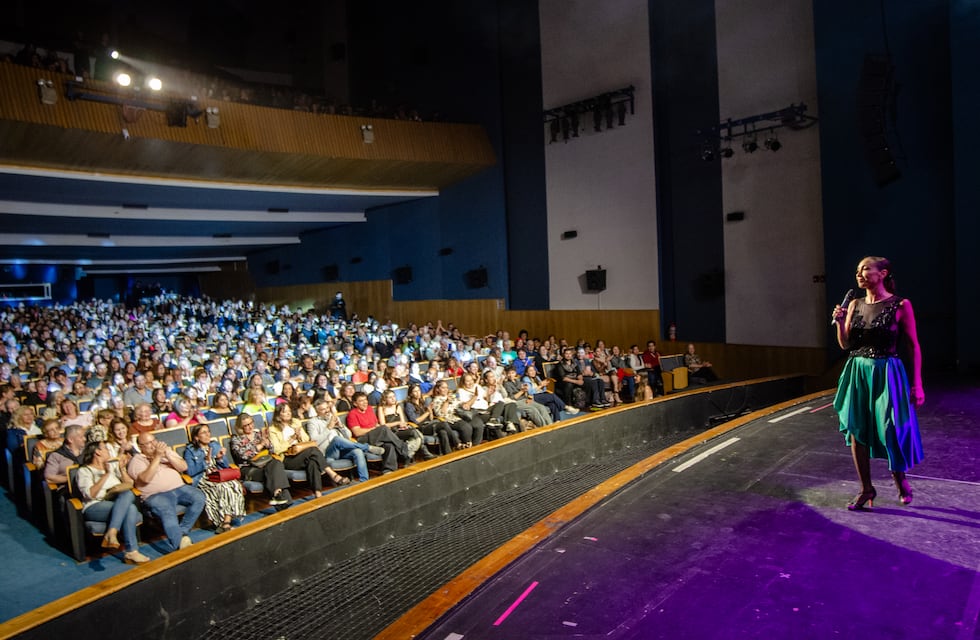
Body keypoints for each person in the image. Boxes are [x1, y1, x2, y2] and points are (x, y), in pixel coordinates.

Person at [832, 256, 924, 510]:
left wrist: (917, 383)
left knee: (891, 429)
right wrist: (840, 323)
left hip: (887, 372)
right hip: (857, 371)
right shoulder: (854, 304)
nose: (859, 274)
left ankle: (900, 480)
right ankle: (866, 489)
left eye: (865, 269)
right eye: (858, 270)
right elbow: (847, 344)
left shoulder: (900, 305)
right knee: (856, 430)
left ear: (882, 273)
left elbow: (913, 346)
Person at [129, 431, 206, 552]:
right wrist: (157, 457)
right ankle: (179, 545)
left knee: (199, 497)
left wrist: (168, 455)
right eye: (148, 443)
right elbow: (146, 478)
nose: (153, 444)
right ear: (140, 447)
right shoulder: (137, 460)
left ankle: (181, 533)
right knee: (167, 511)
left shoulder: (166, 452)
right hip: (155, 496)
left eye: (153, 440)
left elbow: (184, 467)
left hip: (179, 488)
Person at [76, 440, 148, 564]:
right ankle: (131, 551)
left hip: (117, 501)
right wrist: (106, 475)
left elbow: (130, 484)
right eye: (105, 448)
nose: (109, 450)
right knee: (130, 508)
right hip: (94, 505)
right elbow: (90, 494)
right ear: (97, 452)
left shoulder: (112, 465)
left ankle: (112, 532)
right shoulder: (84, 471)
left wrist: (122, 469)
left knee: (128, 496)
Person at [268, 403, 345, 497]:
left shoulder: (295, 422)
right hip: (287, 458)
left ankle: (318, 493)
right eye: (285, 412)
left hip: (302, 453)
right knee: (312, 450)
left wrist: (299, 435)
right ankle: (332, 474)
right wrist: (292, 439)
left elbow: (307, 440)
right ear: (278, 415)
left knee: (313, 462)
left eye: (289, 411)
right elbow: (277, 449)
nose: (288, 413)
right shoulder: (272, 429)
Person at [183, 424, 246, 533]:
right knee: (223, 487)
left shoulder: (215, 445)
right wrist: (206, 462)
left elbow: (226, 466)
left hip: (217, 475)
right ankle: (224, 522)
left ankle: (226, 521)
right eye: (203, 432)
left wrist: (221, 458)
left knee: (235, 485)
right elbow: (190, 472)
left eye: (208, 431)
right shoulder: (190, 451)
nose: (207, 434)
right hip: (203, 478)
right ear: (196, 437)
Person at [305, 398, 381, 482]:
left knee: (358, 451)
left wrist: (341, 426)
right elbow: (314, 441)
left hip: (342, 450)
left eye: (327, 408)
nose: (327, 411)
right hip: (329, 452)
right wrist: (329, 428)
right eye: (323, 409)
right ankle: (366, 447)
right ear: (317, 411)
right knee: (337, 439)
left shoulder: (332, 417)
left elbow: (348, 435)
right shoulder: (312, 422)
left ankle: (364, 480)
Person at [229, 412, 292, 506]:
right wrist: (260, 445)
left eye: (251, 423)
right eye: (246, 425)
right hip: (248, 468)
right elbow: (243, 455)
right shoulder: (236, 439)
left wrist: (267, 443)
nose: (250, 427)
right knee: (274, 471)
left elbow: (272, 450)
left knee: (276, 463)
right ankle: (284, 500)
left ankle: (277, 494)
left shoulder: (258, 434)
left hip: (265, 464)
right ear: (240, 427)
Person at [345, 391, 407, 473]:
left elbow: (376, 424)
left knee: (389, 444)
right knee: (383, 428)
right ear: (355, 404)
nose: (364, 403)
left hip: (376, 436)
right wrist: (374, 429)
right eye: (361, 401)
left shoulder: (369, 409)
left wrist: (376, 428)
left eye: (365, 400)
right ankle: (404, 449)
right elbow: (357, 432)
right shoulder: (352, 414)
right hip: (363, 439)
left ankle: (388, 470)